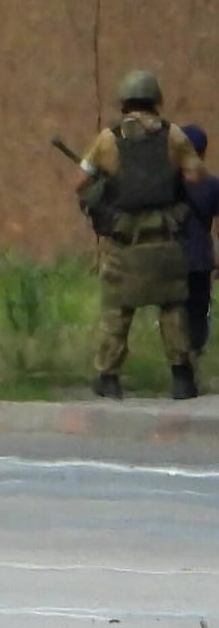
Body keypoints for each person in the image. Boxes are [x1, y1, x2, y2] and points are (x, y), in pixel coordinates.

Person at [77, 70, 205, 400]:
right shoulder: (173, 134)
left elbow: (80, 184)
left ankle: (108, 378)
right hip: (165, 239)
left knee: (117, 311)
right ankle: (182, 378)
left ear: (124, 102)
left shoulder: (108, 138)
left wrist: (108, 184)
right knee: (173, 308)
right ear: (155, 100)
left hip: (124, 241)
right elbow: (194, 176)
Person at [180, 124, 219, 356]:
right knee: (198, 311)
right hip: (201, 258)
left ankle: (180, 360)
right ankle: (194, 355)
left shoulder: (170, 184)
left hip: (173, 257)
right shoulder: (213, 185)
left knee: (175, 310)